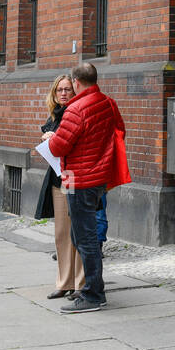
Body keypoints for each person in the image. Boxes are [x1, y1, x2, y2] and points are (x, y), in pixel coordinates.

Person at [46, 62, 128, 313]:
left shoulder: (75, 110)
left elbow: (58, 148)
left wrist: (51, 139)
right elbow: (120, 131)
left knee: (85, 238)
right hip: (99, 179)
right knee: (84, 235)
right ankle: (90, 288)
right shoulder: (108, 103)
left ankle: (93, 294)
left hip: (79, 180)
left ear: (77, 82)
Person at [36, 75, 84, 300]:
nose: (63, 94)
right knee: (62, 234)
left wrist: (55, 139)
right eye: (59, 90)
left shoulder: (76, 112)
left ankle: (80, 284)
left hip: (74, 177)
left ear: (75, 92)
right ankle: (64, 282)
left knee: (78, 232)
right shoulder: (55, 115)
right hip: (58, 179)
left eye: (67, 90)